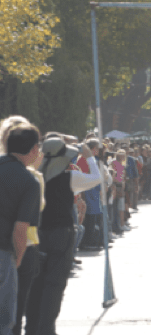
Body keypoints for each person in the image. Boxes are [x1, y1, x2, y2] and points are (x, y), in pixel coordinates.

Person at [26, 136, 102, 335]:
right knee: (54, 284)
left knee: (36, 283)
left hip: (38, 234)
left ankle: (32, 328)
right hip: (61, 233)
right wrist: (89, 157)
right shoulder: (69, 177)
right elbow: (96, 178)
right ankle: (47, 329)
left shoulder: (34, 175)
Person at [0, 123, 41, 335]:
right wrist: (17, 260)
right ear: (34, 149)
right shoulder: (29, 181)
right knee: (5, 320)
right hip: (3, 252)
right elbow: (21, 228)